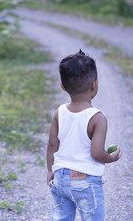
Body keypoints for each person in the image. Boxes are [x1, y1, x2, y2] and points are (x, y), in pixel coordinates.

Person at [46, 49, 122, 221]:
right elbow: (97, 153)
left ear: (63, 86)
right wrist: (111, 157)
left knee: (61, 217)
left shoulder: (59, 112)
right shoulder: (97, 118)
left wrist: (50, 170)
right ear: (95, 84)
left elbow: (52, 145)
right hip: (85, 181)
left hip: (60, 177)